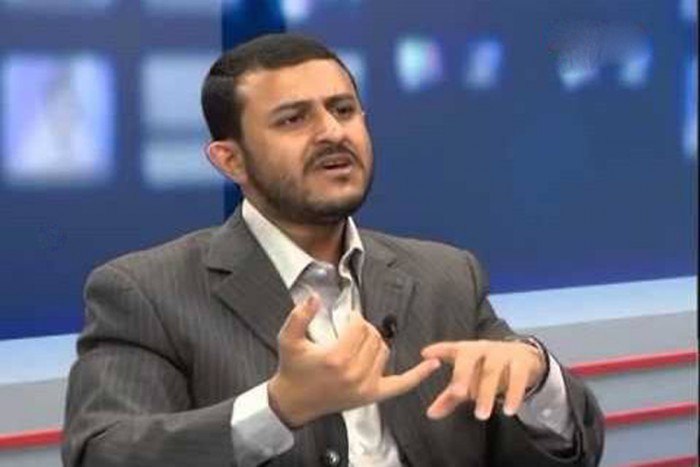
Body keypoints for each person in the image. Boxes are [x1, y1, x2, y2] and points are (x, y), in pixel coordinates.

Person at [62, 33, 604, 467]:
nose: (331, 132)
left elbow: (575, 450)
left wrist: (538, 379)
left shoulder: (446, 276)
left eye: (343, 110)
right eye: (293, 119)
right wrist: (278, 408)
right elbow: (104, 453)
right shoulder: (146, 291)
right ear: (230, 160)